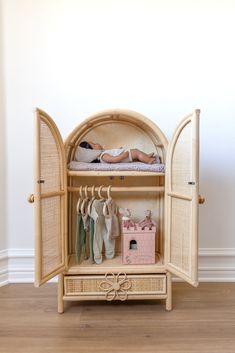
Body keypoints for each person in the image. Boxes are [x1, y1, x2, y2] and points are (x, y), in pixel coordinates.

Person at [76, 141, 161, 164]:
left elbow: (113, 153)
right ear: (92, 152)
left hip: (125, 155)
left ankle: (145, 156)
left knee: (136, 152)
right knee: (136, 152)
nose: (97, 143)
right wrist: (123, 156)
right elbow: (114, 159)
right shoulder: (103, 156)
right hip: (125, 156)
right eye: (94, 144)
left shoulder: (103, 153)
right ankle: (148, 160)